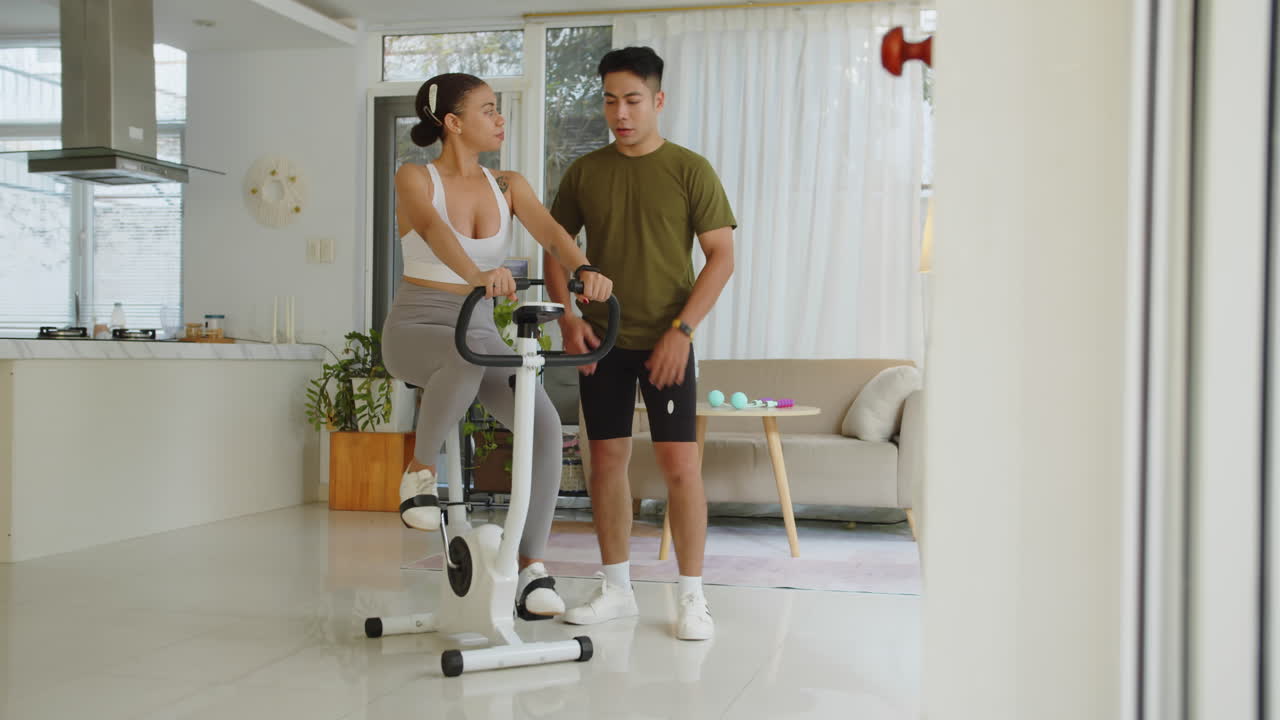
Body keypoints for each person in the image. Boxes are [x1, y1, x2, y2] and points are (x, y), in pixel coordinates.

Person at [383, 72, 613, 621]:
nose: (499, 118)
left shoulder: (508, 185)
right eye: (488, 110)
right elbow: (435, 232)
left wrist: (583, 268)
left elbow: (553, 233)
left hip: (479, 330)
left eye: (499, 109)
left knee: (545, 428)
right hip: (417, 326)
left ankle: (531, 570)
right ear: (454, 123)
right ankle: (418, 475)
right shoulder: (415, 177)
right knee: (460, 358)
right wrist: (476, 277)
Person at [544, 47, 737, 640]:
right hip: (601, 343)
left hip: (666, 340)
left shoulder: (690, 169)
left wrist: (683, 331)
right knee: (606, 460)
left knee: (681, 465)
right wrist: (568, 320)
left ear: (657, 100)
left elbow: (722, 257)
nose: (619, 113)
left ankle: (692, 599)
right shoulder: (586, 172)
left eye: (632, 100)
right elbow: (557, 247)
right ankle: (617, 589)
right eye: (609, 100)